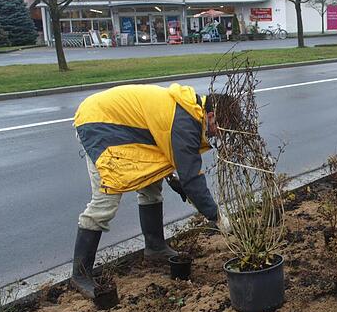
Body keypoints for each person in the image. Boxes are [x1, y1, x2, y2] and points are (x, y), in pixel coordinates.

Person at [71, 83, 229, 298]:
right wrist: (217, 216)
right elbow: (192, 178)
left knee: (151, 184)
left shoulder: (188, 109)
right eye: (221, 126)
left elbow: (161, 145)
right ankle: (80, 274)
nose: (219, 134)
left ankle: (155, 247)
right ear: (210, 115)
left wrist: (172, 178)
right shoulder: (184, 122)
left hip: (120, 124)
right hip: (99, 123)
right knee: (106, 199)